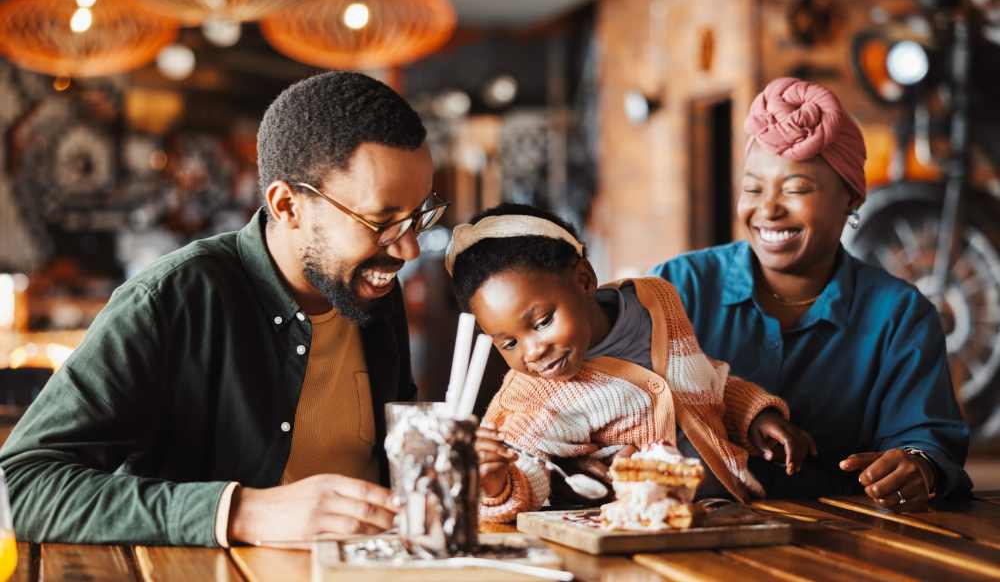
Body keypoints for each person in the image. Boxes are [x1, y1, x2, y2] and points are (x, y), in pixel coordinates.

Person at [0, 71, 448, 546]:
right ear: (288, 206)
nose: (408, 251)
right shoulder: (174, 299)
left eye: (418, 216)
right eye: (381, 222)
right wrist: (241, 512)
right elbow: (20, 486)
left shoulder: (371, 293)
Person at [651, 77, 972, 509]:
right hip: (690, 529)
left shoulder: (898, 315)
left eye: (796, 188)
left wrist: (917, 467)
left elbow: (928, 441)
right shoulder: (678, 287)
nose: (767, 209)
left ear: (850, 199)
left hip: (841, 541)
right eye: (753, 188)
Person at [447, 203, 816, 523]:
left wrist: (755, 415)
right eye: (509, 342)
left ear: (583, 279)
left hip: (736, 510)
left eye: (543, 322)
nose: (533, 352)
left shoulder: (657, 302)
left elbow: (701, 380)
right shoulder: (535, 395)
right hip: (632, 537)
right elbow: (526, 470)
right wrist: (496, 484)